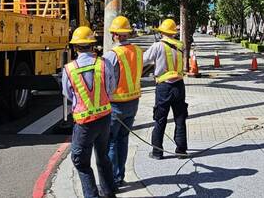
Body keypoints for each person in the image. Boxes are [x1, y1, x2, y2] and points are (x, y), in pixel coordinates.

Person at [62, 26, 118, 198]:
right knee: (102, 156)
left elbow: (68, 94)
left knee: (80, 161)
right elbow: (111, 89)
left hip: (84, 123)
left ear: (75, 47)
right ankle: (109, 192)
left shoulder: (69, 69)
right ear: (92, 45)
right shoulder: (104, 64)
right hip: (104, 118)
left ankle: (92, 195)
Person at [103, 15, 143, 190]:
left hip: (116, 104)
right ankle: (120, 176)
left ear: (114, 34)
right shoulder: (138, 51)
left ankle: (113, 181)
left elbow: (106, 82)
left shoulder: (111, 55)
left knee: (111, 142)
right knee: (123, 140)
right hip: (133, 102)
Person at [143, 18, 188, 160]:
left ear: (162, 32)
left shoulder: (158, 46)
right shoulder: (181, 45)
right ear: (174, 33)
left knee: (160, 119)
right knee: (180, 118)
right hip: (179, 85)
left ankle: (157, 151)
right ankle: (181, 150)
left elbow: (143, 60)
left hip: (164, 86)